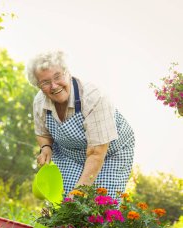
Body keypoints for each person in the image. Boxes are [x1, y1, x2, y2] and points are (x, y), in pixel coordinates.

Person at [26, 50, 135, 199]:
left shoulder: (93, 97)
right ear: (37, 85)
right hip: (70, 154)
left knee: (101, 203)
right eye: (45, 82)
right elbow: (42, 133)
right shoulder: (39, 102)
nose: (54, 86)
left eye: (57, 76)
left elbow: (96, 153)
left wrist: (79, 192)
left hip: (110, 153)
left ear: (67, 72)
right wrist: (45, 147)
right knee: (63, 200)